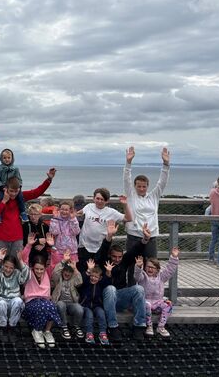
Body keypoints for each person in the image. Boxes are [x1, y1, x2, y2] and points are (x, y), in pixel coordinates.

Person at [124, 146, 170, 285]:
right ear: (135, 186)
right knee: (132, 267)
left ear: (147, 186)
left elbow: (162, 182)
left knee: (151, 267)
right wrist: (128, 162)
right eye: (139, 186)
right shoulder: (131, 195)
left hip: (151, 237)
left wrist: (166, 164)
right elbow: (126, 179)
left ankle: (151, 293)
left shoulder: (154, 196)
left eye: (144, 186)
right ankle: (132, 294)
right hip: (134, 236)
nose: (141, 188)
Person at [96, 221, 148, 342]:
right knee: (111, 289)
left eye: (120, 257)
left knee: (139, 289)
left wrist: (145, 239)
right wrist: (109, 236)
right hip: (106, 299)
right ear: (110, 256)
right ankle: (113, 327)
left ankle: (139, 326)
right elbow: (103, 251)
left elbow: (135, 250)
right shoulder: (104, 261)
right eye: (114, 257)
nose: (117, 259)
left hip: (120, 298)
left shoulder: (124, 261)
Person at [0, 167, 57, 258]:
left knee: (17, 263)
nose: (14, 194)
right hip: (1, 237)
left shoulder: (20, 196)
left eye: (16, 191)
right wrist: (4, 201)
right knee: (0, 263)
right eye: (11, 191)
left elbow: (36, 192)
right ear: (5, 188)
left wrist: (49, 179)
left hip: (17, 237)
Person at [77, 188, 132, 274]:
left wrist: (125, 205)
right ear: (94, 198)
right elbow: (77, 214)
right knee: (84, 271)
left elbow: (128, 218)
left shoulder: (111, 212)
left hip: (101, 247)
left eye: (102, 199)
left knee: (99, 272)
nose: (99, 201)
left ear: (107, 201)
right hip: (84, 246)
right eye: (97, 198)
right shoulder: (89, 206)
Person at [21, 237, 63, 348]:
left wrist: (52, 247)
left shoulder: (47, 273)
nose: (39, 271)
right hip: (31, 303)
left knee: (51, 306)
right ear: (32, 268)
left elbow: (56, 263)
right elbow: (24, 259)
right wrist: (29, 245)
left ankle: (47, 331)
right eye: (37, 269)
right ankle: (37, 330)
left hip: (45, 301)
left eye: (41, 269)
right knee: (41, 306)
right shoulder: (28, 273)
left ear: (45, 268)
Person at [135, 241, 180, 337]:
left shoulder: (161, 277)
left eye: (153, 268)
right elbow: (137, 276)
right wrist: (138, 267)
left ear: (157, 269)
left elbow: (170, 270)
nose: (150, 269)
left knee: (168, 306)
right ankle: (149, 326)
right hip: (145, 303)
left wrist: (174, 257)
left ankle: (161, 327)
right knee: (146, 305)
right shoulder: (143, 276)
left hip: (157, 303)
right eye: (148, 267)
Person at [0, 247, 29, 342]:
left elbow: (26, 277)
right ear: (3, 265)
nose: (8, 269)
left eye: (11, 268)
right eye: (6, 266)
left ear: (14, 268)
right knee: (1, 303)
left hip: (13, 301)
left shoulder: (17, 273)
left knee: (18, 301)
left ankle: (12, 327)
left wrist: (20, 261)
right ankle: (3, 328)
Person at [51, 250, 84, 340]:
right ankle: (64, 326)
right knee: (61, 304)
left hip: (71, 304)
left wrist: (75, 269)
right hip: (60, 303)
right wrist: (63, 261)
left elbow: (80, 281)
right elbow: (55, 273)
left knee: (79, 309)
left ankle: (75, 326)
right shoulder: (58, 279)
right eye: (66, 271)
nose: (67, 273)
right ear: (62, 271)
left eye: (70, 272)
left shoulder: (73, 279)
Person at [80, 259, 113, 345]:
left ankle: (102, 333)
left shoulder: (100, 284)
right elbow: (82, 279)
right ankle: (89, 334)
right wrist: (89, 270)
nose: (93, 278)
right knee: (89, 315)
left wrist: (108, 271)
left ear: (100, 278)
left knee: (101, 313)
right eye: (92, 276)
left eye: (96, 277)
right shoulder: (86, 282)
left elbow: (108, 281)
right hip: (86, 305)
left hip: (97, 305)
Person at [0, 148, 28, 222]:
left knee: (20, 197)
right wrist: (1, 186)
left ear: (12, 158)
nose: (7, 159)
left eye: (9, 158)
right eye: (4, 158)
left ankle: (23, 213)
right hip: (3, 187)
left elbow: (19, 178)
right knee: (1, 198)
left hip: (13, 187)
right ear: (1, 158)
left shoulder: (15, 168)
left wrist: (19, 187)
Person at [49, 201, 80, 266]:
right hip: (59, 250)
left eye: (66, 210)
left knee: (71, 268)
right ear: (59, 209)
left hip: (71, 250)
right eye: (62, 209)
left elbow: (76, 232)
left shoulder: (72, 219)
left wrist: (73, 219)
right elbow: (54, 232)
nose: (64, 211)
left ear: (70, 210)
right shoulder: (56, 218)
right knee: (58, 267)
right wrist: (55, 219)